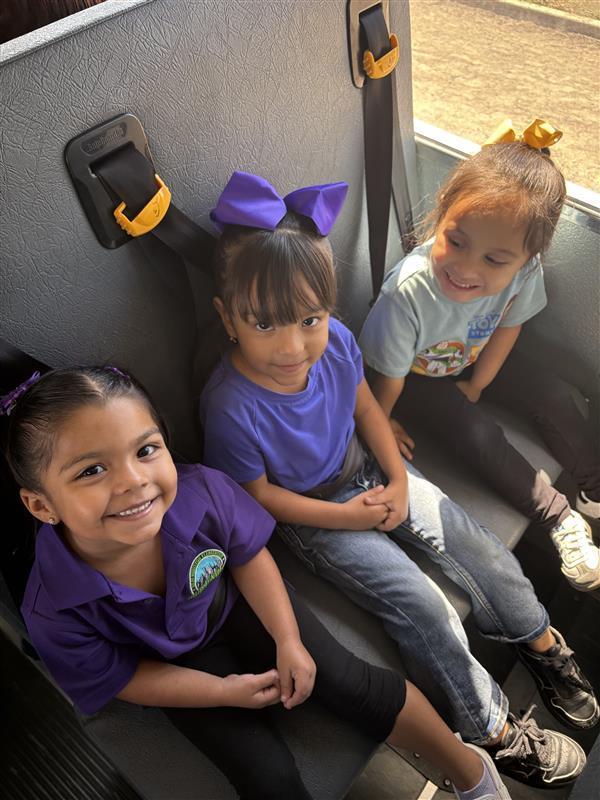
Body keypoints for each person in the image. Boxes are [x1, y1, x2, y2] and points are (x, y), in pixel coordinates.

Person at [199, 170, 596, 790]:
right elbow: (260, 498)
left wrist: (398, 477)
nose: (293, 345)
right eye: (264, 324)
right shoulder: (229, 405)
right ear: (228, 319)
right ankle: (490, 728)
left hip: (369, 469)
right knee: (420, 602)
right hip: (313, 514)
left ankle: (541, 642)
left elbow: (365, 410)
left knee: (475, 547)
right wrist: (349, 517)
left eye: (309, 318)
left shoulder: (335, 347)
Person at [1, 367, 512, 800]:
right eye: (92, 470)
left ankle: (472, 774)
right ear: (41, 505)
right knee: (265, 776)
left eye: (146, 450)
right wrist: (219, 691)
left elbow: (249, 557)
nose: (133, 480)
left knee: (352, 683)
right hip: (171, 664)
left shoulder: (201, 491)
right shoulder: (51, 607)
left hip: (236, 603)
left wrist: (288, 641)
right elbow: (122, 676)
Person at [358, 119, 600, 592]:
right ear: (442, 213)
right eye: (457, 240)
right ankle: (558, 518)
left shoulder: (524, 271)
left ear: (527, 256)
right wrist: (379, 421)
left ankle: (596, 484)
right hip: (413, 377)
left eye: (494, 260)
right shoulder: (409, 292)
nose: (465, 269)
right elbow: (384, 376)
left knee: (552, 393)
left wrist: (478, 384)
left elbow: (509, 324)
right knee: (474, 431)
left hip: (472, 355)